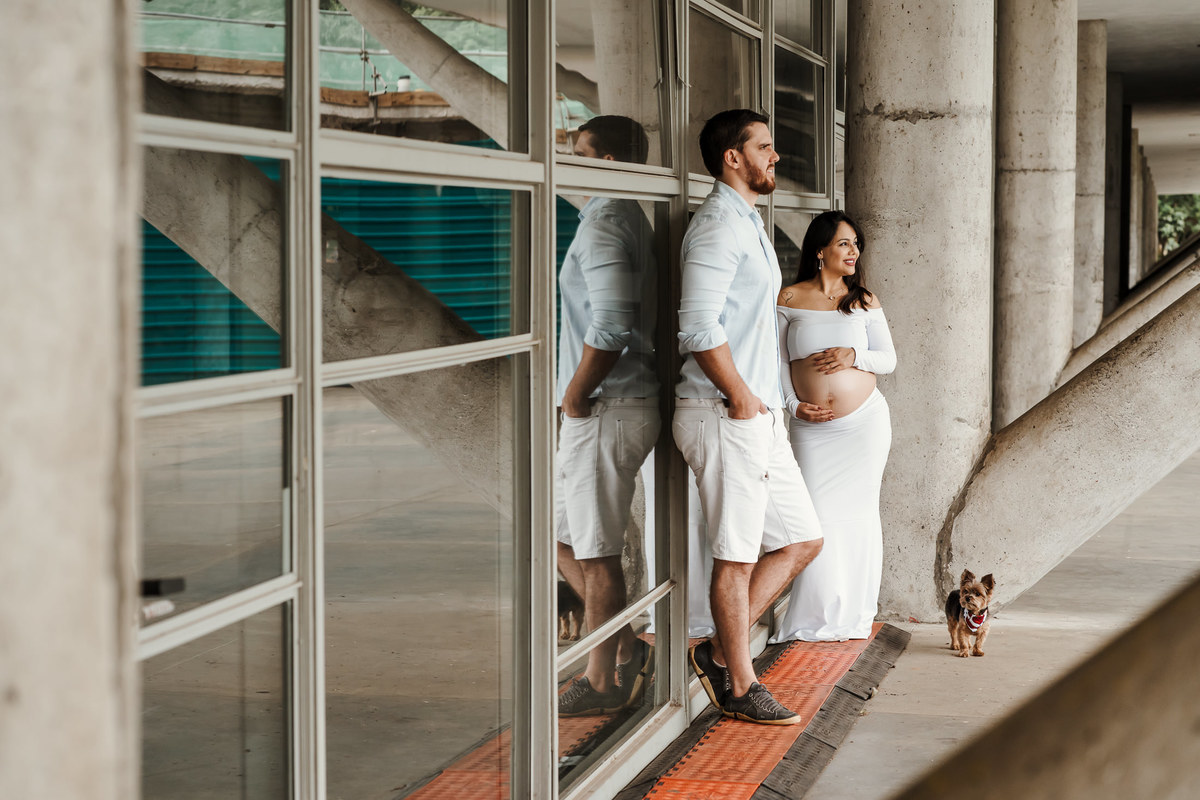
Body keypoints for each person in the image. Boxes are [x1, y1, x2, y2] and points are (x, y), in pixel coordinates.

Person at [673, 109, 823, 725]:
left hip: (756, 414)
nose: (775, 156)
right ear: (733, 157)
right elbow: (697, 326)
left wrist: (764, 403)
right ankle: (739, 684)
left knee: (803, 538)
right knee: (734, 557)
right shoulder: (715, 226)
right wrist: (737, 394)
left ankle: (714, 650)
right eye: (764, 146)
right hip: (723, 412)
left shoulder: (747, 221)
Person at [555, 115, 660, 716]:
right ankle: (621, 645)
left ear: (610, 164)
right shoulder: (618, 218)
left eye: (580, 153)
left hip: (606, 403)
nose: (570, 162)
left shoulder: (606, 224)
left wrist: (574, 395)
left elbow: (613, 324)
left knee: (594, 550)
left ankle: (601, 681)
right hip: (608, 403)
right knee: (566, 538)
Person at [772, 210, 896, 642]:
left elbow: (888, 359)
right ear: (820, 250)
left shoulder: (863, 300)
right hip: (812, 428)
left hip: (864, 426)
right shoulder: (788, 299)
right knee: (816, 519)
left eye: (856, 244)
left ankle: (854, 615)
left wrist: (852, 356)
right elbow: (776, 363)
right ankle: (813, 618)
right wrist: (792, 406)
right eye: (844, 243)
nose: (853, 251)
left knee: (860, 516)